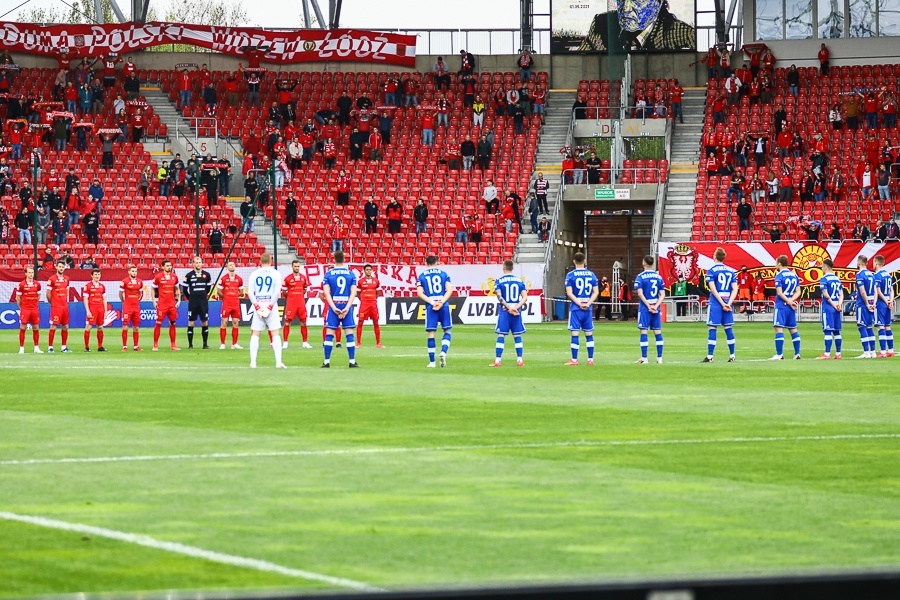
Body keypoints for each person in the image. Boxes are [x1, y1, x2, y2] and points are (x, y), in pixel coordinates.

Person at [577, 0, 695, 51]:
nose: (626, 8)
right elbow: (580, 61)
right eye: (622, 0)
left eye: (636, 1)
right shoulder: (601, 24)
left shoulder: (685, 35)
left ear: (658, 3)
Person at [321, 251, 359, 368]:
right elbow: (354, 292)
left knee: (329, 334)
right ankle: (352, 361)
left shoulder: (328, 274)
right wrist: (347, 308)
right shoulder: (351, 274)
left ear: (334, 259)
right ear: (344, 259)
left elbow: (326, 293)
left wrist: (333, 307)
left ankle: (326, 362)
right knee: (349, 333)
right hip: (346, 306)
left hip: (334, 306)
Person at [248, 253, 286, 369]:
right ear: (271, 261)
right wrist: (269, 306)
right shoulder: (276, 273)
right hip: (271, 305)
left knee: (255, 334)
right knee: (275, 333)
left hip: (259, 304)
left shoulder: (254, 274)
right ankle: (278, 363)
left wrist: (257, 306)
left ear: (260, 261)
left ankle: (253, 362)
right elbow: (276, 292)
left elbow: (250, 292)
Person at [417, 255, 454, 368]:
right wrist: (441, 302)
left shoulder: (422, 276)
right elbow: (450, 290)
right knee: (447, 330)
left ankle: (432, 362)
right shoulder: (444, 274)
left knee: (431, 334)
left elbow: (419, 293)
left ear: (426, 263)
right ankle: (443, 352)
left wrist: (433, 303)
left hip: (431, 307)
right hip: (443, 305)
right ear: (437, 262)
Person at [702, 247, 737, 362]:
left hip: (716, 303)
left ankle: (710, 356)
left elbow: (713, 289)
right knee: (728, 328)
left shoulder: (711, 271)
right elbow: (735, 289)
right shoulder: (731, 271)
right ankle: (732, 355)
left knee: (712, 327)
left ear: (715, 257)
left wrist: (722, 303)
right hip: (727, 301)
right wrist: (728, 303)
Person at [490, 260, 527, 367]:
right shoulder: (519, 281)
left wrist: (509, 307)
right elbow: (525, 297)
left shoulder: (499, 281)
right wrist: (515, 307)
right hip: (516, 311)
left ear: (504, 268)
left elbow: (499, 296)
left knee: (501, 335)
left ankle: (498, 360)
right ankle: (520, 360)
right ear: (512, 268)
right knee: (517, 335)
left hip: (505, 311)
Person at [564, 252, 599, 366]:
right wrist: (587, 303)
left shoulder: (570, 275)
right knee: (589, 333)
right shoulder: (591, 275)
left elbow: (569, 293)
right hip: (587, 309)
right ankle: (590, 359)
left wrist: (579, 303)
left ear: (574, 261)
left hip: (576, 308)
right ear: (585, 261)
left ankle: (574, 360)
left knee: (575, 333)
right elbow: (596, 292)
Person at [632, 256, 666, 364]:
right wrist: (655, 306)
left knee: (644, 332)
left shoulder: (640, 277)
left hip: (645, 309)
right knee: (658, 332)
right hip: (656, 308)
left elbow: (640, 294)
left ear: (643, 263)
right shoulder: (658, 277)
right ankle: (659, 358)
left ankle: (644, 358)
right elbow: (662, 294)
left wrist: (648, 306)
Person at [770, 255, 801, 360]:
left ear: (779, 263)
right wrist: (792, 301)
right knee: (793, 329)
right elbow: (798, 292)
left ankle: (779, 354)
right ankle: (797, 354)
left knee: (778, 329)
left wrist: (788, 301)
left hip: (781, 305)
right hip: (790, 306)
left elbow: (779, 292)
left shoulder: (779, 275)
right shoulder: (794, 275)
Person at [281, 260, 313, 350]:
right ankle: (285, 342)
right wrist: (290, 297)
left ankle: (305, 342)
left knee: (304, 322)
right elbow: (284, 292)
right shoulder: (287, 279)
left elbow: (305, 289)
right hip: (291, 304)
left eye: (298, 266)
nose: (297, 268)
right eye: (295, 266)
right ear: (292, 266)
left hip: (301, 303)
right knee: (287, 322)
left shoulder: (303, 278)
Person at [182, 255, 212, 350]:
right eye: (196, 262)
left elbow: (208, 288)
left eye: (200, 262)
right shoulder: (189, 275)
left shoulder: (207, 275)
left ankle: (205, 344)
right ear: (193, 264)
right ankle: (190, 345)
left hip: (203, 302)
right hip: (193, 302)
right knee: (191, 322)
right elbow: (185, 289)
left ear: (202, 263)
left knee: (204, 322)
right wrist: (191, 297)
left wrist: (203, 295)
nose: (198, 264)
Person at [816, 259, 843, 360]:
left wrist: (833, 304)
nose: (822, 268)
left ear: (826, 267)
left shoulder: (824, 279)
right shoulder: (837, 279)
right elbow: (841, 294)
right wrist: (838, 304)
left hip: (828, 308)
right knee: (836, 331)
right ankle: (838, 353)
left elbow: (826, 295)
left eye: (822, 266)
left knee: (828, 330)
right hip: (837, 307)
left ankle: (827, 353)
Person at [152, 259, 182, 351]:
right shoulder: (158, 277)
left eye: (170, 265)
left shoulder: (174, 277)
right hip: (162, 304)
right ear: (163, 267)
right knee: (158, 323)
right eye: (167, 265)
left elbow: (177, 289)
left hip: (172, 304)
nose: (169, 267)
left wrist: (179, 300)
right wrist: (154, 301)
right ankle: (155, 345)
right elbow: (153, 289)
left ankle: (173, 345)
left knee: (173, 323)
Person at [217, 260, 245, 350]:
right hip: (226, 304)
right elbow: (218, 291)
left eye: (233, 264)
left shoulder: (239, 279)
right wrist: (225, 297)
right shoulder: (223, 279)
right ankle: (222, 344)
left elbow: (241, 292)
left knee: (236, 323)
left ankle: (234, 343)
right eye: (230, 265)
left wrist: (235, 296)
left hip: (235, 304)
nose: (232, 266)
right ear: (227, 267)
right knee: (224, 322)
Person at [45, 260, 72, 353]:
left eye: (62, 267)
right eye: (59, 266)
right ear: (56, 267)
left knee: (65, 326)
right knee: (53, 326)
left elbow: (67, 291)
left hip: (65, 306)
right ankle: (50, 347)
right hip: (56, 307)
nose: (61, 268)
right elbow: (48, 294)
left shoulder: (67, 279)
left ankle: (63, 347)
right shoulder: (51, 279)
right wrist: (53, 303)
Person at [356, 264, 384, 349]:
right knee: (360, 322)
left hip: (373, 304)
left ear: (372, 271)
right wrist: (364, 299)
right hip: (364, 304)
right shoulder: (360, 281)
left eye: (370, 270)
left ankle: (378, 343)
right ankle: (358, 343)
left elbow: (378, 292)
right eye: (367, 270)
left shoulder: (376, 281)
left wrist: (373, 299)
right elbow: (358, 293)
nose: (368, 271)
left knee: (376, 322)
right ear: (364, 271)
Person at [855, 255, 877, 359]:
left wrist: (867, 303)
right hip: (872, 301)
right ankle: (873, 352)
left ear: (859, 263)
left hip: (863, 304)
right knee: (869, 327)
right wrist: (873, 302)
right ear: (867, 263)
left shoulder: (860, 275)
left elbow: (862, 291)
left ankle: (866, 352)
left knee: (861, 326)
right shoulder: (871, 274)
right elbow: (875, 290)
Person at [872, 255, 895, 358]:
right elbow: (892, 290)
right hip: (888, 302)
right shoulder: (888, 275)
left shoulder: (877, 276)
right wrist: (891, 301)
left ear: (876, 263)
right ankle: (891, 350)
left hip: (881, 303)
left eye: (873, 262)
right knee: (887, 326)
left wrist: (886, 301)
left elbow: (878, 291)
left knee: (880, 326)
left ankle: (882, 352)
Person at [17, 266, 43, 354]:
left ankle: (36, 348)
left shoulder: (37, 284)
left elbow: (38, 296)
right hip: (25, 309)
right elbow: (18, 298)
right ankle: (21, 348)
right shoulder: (21, 285)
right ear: (26, 274)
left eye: (32, 272)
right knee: (23, 327)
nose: (31, 274)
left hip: (34, 309)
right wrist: (22, 308)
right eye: (29, 272)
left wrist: (34, 304)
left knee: (36, 327)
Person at [119, 264, 144, 352]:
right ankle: (124, 346)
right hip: (127, 307)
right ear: (129, 272)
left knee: (136, 327)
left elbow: (141, 294)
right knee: (125, 326)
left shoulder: (140, 282)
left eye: (136, 271)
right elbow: (120, 293)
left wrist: (137, 301)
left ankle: (136, 346)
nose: (134, 273)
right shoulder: (124, 281)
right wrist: (124, 302)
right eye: (133, 271)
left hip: (136, 307)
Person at [82, 268, 107, 352]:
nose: (97, 276)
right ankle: (86, 347)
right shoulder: (88, 286)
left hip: (100, 309)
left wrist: (106, 311)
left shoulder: (102, 286)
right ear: (92, 276)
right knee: (89, 327)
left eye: (98, 274)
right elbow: (85, 298)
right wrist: (87, 311)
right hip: (92, 308)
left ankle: (100, 347)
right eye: (95, 274)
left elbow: (104, 299)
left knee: (100, 327)